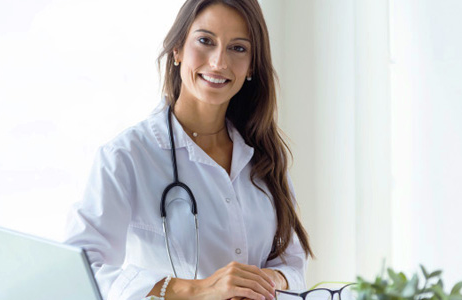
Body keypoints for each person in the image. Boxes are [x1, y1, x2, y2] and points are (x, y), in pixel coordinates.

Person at [64, 0, 313, 299]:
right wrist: (194, 290)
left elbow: (292, 263)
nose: (219, 62)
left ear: (251, 67)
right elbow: (81, 270)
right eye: (205, 41)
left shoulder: (264, 156)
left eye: (238, 48)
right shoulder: (127, 157)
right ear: (178, 49)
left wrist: (268, 280)